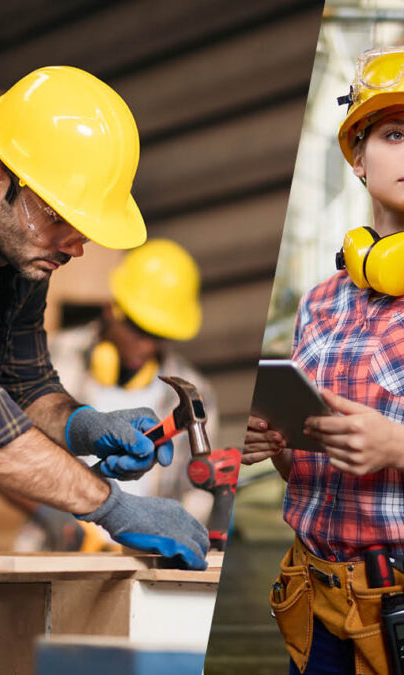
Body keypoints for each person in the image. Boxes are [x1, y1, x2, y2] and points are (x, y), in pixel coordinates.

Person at [0, 66, 211, 673]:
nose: (76, 247)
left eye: (83, 228)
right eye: (59, 219)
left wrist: (86, 425)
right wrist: (110, 505)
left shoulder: (22, 256)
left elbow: (25, 381)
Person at [245, 45, 404, 675]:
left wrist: (396, 445)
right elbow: (304, 470)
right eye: (396, 134)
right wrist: (276, 444)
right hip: (313, 603)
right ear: (358, 158)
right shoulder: (320, 303)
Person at [22, 239, 218, 551]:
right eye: (139, 330)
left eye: (159, 336)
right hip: (50, 549)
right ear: (112, 310)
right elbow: (3, 445)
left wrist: (167, 537)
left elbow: (198, 492)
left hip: (140, 559)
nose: (147, 346)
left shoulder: (197, 391)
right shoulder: (55, 356)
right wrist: (51, 513)